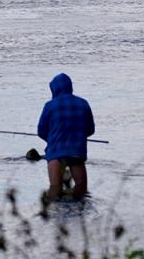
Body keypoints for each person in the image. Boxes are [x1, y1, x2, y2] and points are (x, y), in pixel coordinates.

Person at [37, 72, 95, 200]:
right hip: (77, 153)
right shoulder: (83, 103)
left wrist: (52, 140)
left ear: (54, 89)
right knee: (81, 192)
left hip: (56, 154)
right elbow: (90, 130)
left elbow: (41, 131)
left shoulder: (49, 106)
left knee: (55, 190)